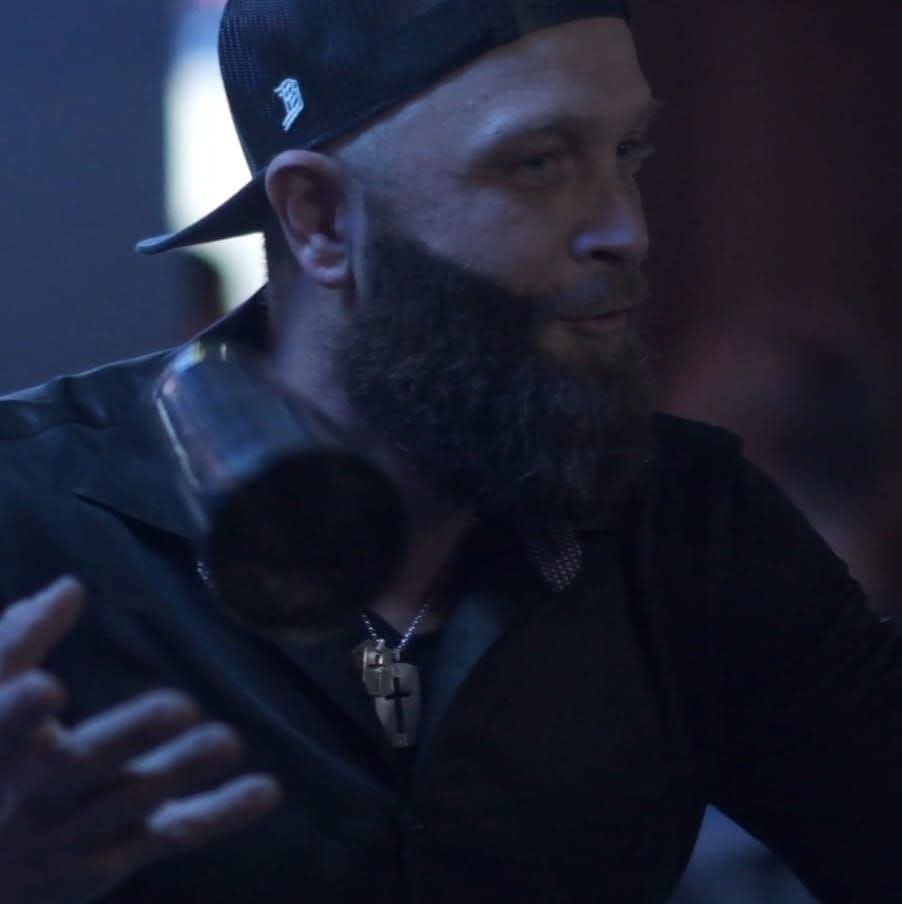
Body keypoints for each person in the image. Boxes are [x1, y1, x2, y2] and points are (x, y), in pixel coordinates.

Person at [1, 1, 901, 901]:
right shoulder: (32, 518)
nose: (626, 230)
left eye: (626, 154)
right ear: (316, 218)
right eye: (540, 163)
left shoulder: (686, 521)